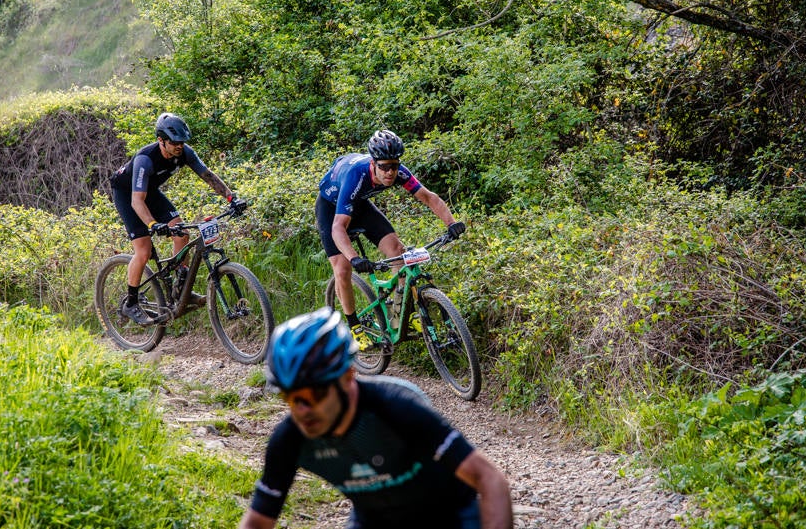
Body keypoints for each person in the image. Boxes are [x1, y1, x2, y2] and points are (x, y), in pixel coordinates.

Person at [238, 307, 513, 529]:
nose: (302, 410)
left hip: (451, 518)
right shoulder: (290, 439)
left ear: (347, 377)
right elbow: (259, 521)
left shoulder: (395, 409)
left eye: (314, 394)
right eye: (290, 397)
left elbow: (489, 479)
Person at [316, 129, 465, 347]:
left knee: (398, 252)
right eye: (384, 167)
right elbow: (338, 227)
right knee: (342, 268)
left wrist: (452, 223)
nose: (390, 172)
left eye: (394, 166)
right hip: (331, 209)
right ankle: (354, 326)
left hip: (360, 204)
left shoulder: (399, 172)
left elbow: (429, 197)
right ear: (373, 164)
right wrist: (354, 257)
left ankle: (399, 313)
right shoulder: (357, 175)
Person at [110, 112, 246, 325]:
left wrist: (231, 197)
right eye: (173, 142)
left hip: (150, 191)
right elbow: (138, 201)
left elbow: (208, 176)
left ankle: (180, 289)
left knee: (182, 233)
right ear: (161, 141)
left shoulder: (185, 153)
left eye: (182, 142)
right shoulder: (146, 159)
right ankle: (131, 303)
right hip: (128, 195)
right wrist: (153, 225)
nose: (179, 146)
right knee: (144, 250)